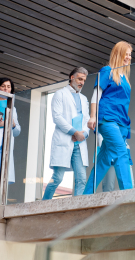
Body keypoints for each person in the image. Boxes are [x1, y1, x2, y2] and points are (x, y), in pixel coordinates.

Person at [83, 41, 133, 194]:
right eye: (126, 54)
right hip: (108, 119)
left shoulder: (124, 77)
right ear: (118, 53)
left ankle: (86, 195)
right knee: (121, 152)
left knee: (104, 159)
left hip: (122, 122)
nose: (129, 57)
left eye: (130, 55)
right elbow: (96, 95)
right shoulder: (107, 71)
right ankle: (128, 194)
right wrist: (93, 116)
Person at [43, 67, 91, 198]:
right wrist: (75, 132)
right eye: (80, 79)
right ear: (72, 77)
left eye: (84, 80)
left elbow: (87, 119)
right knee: (57, 178)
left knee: (81, 179)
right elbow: (57, 117)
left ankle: (77, 208)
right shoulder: (60, 94)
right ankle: (43, 203)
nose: (82, 82)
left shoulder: (84, 98)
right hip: (65, 138)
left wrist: (84, 134)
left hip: (79, 143)